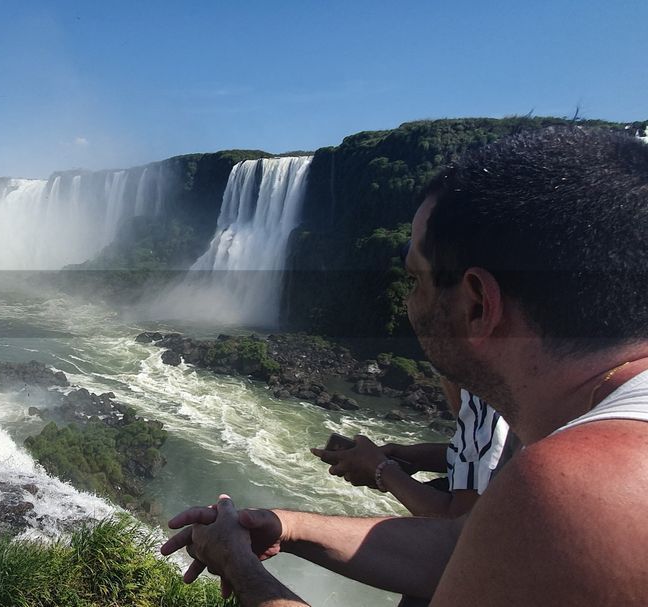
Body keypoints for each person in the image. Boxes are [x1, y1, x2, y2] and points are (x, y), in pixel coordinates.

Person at [160, 127, 648, 606]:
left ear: (477, 305)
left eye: (415, 278)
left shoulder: (569, 489)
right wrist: (285, 525)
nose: (408, 303)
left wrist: (239, 567)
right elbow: (463, 548)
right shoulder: (583, 426)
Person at [312, 380, 512, 519]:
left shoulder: (489, 400)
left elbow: (458, 525)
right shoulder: (493, 393)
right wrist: (413, 458)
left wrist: (381, 468)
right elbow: (480, 457)